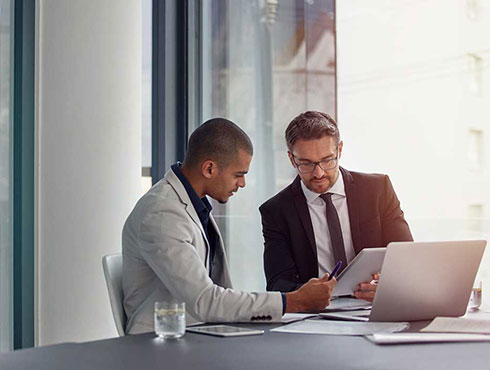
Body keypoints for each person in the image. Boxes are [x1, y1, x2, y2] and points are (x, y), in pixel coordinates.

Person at [122, 118, 336, 334]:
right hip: (161, 345)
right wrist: (293, 301)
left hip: (198, 334)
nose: (242, 184)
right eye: (238, 175)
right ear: (209, 168)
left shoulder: (192, 205)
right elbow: (205, 301)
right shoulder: (162, 214)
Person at [259, 111, 413, 302]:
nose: (318, 173)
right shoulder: (276, 211)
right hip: (316, 315)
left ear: (339, 150)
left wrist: (388, 285)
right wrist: (306, 294)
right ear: (292, 159)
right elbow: (277, 283)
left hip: (376, 307)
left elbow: (408, 259)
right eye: (306, 163)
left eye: (327, 160)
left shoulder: (378, 189)